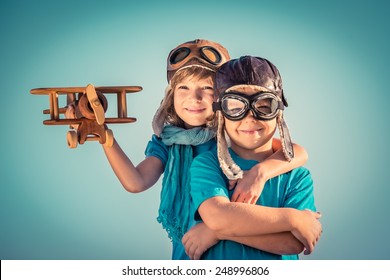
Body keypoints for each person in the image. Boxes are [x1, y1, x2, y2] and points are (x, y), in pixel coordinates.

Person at [102, 40, 310, 260]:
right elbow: (136, 182)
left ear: (225, 97)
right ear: (170, 96)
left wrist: (260, 173)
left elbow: (295, 152)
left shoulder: (234, 133)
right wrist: (105, 137)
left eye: (207, 88)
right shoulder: (168, 142)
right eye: (183, 87)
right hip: (193, 251)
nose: (195, 98)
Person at [182, 55, 322, 260]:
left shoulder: (297, 177)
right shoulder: (208, 164)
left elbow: (293, 242)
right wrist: (293, 218)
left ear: (279, 112)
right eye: (235, 107)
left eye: (264, 106)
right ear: (221, 113)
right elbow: (218, 216)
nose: (249, 117)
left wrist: (216, 232)